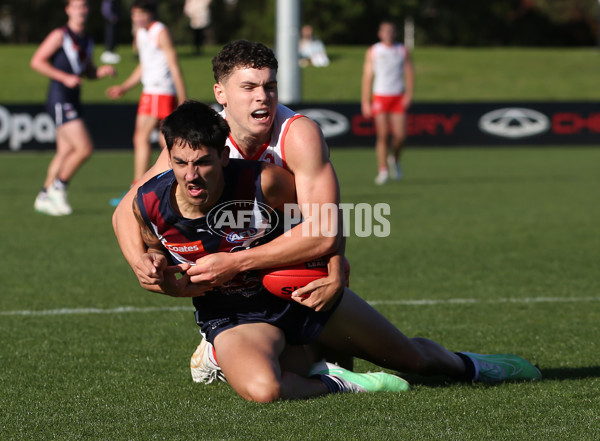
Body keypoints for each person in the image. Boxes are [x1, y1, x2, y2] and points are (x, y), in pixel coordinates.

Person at [133, 100, 542, 402]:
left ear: (223, 157)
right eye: (181, 163)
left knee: (414, 361)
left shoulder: (267, 182)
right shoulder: (150, 204)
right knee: (264, 389)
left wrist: (332, 268)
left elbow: (324, 221)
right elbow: (159, 259)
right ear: (168, 158)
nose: (191, 175)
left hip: (297, 290)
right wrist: (154, 268)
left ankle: (472, 365)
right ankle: (334, 380)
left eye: (202, 162)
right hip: (234, 315)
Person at [112, 40, 350, 383]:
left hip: (291, 259)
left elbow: (326, 223)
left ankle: (223, 352)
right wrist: (141, 262)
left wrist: (336, 268)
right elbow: (126, 209)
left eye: (270, 86)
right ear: (220, 93)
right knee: (275, 378)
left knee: (351, 358)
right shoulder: (201, 145)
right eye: (249, 87)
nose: (262, 97)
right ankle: (222, 343)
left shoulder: (297, 136)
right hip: (230, 284)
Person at [32, 0, 116, 216]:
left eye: (84, 6)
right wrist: (65, 77)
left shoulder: (87, 39)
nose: (81, 10)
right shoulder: (60, 35)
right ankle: (58, 188)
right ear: (68, 10)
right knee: (84, 148)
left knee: (65, 151)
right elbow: (37, 61)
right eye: (76, 6)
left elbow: (86, 71)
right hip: (60, 98)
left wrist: (101, 72)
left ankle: (43, 196)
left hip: (73, 97)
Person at [107, 0, 186, 204]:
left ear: (151, 14)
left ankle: (138, 189)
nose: (138, 18)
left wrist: (183, 98)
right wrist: (124, 87)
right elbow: (144, 65)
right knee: (165, 140)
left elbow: (174, 65)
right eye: (135, 14)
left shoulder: (160, 31)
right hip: (150, 91)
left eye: (142, 14)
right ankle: (171, 183)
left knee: (146, 138)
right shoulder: (141, 33)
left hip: (161, 92)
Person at [361, 20, 414, 185]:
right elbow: (367, 76)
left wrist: (409, 95)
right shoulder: (374, 50)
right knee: (382, 135)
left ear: (395, 33)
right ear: (380, 33)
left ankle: (395, 160)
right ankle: (383, 169)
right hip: (380, 96)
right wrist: (365, 101)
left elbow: (409, 72)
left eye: (391, 31)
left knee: (400, 136)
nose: (388, 34)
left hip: (397, 96)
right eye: (385, 31)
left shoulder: (402, 50)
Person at [100, 0, 121, 64]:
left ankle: (111, 50)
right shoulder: (108, 1)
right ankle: (109, 51)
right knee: (110, 36)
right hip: (110, 20)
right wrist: (111, 17)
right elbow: (105, 10)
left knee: (113, 36)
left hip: (111, 20)